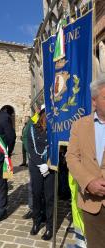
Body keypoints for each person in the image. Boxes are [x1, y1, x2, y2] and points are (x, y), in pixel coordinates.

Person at [66, 74, 105, 248]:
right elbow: (72, 157)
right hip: (92, 203)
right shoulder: (80, 125)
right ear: (94, 101)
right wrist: (88, 182)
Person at [28, 106, 54, 241]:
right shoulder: (32, 128)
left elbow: (56, 146)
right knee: (37, 194)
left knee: (50, 197)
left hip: (51, 166)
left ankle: (50, 226)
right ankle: (36, 221)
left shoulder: (55, 127)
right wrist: (40, 163)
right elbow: (30, 148)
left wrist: (48, 163)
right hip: (36, 166)